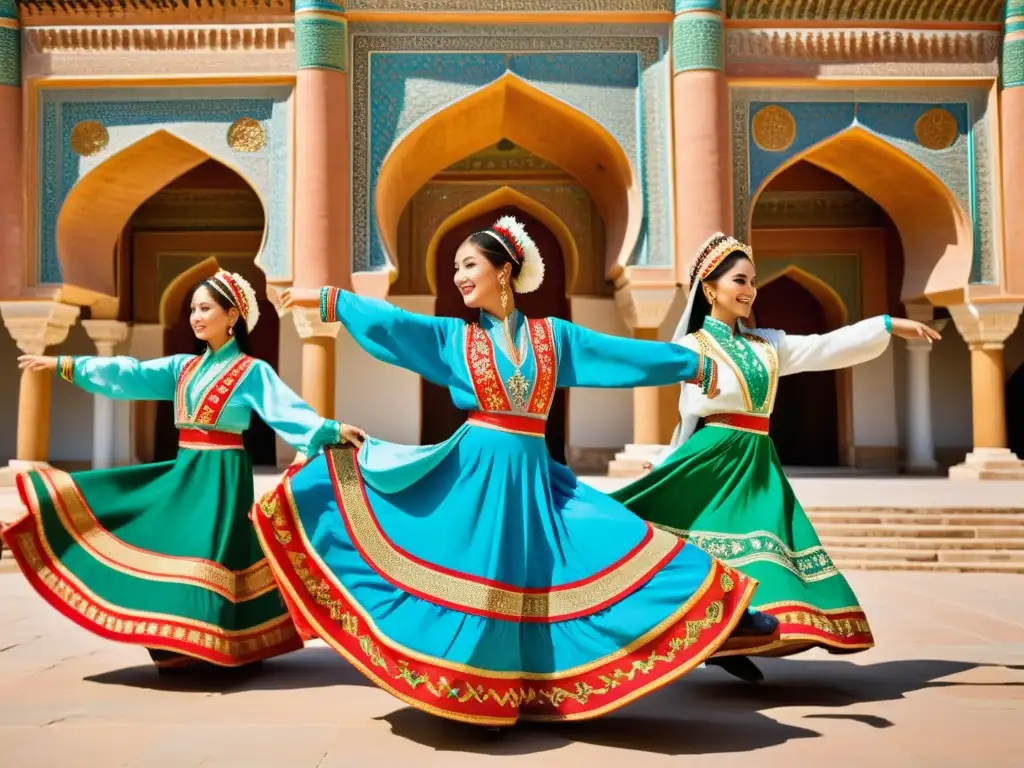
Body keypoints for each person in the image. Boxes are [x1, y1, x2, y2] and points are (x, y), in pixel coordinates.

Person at [253, 216, 780, 727]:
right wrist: (329, 302)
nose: (459, 277)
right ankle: (470, 684)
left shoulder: (555, 338)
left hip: (535, 480)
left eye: (468, 265)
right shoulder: (456, 340)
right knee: (481, 582)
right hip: (474, 477)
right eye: (456, 268)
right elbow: (396, 325)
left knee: (619, 535)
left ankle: (719, 611)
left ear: (503, 271)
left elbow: (619, 354)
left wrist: (691, 364)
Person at [612, 232, 942, 683]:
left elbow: (825, 346)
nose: (749, 290)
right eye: (739, 280)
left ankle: (734, 637)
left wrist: (886, 324)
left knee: (765, 551)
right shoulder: (692, 349)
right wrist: (669, 461)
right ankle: (721, 637)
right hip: (711, 461)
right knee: (703, 552)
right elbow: (688, 416)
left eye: (752, 282)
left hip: (757, 463)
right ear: (709, 289)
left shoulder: (768, 344)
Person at [3, 270, 366, 673]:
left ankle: (222, 643)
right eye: (192, 308)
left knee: (211, 557)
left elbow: (287, 412)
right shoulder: (183, 368)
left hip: (222, 477)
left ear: (232, 316)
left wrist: (331, 429)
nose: (196, 316)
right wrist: (64, 363)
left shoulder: (251, 371)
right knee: (172, 546)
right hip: (186, 471)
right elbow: (129, 374)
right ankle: (176, 643)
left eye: (205, 308)